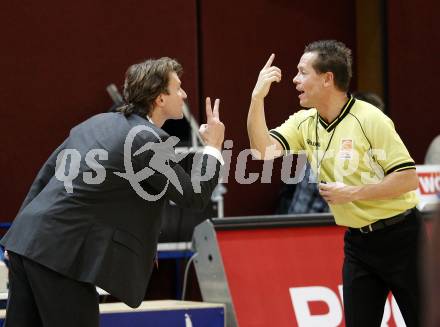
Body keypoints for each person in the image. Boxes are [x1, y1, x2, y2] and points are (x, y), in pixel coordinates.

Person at [1, 57, 225, 326]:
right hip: (60, 255)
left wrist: (17, 235)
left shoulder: (97, 123)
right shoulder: (147, 140)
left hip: (26, 244)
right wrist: (213, 148)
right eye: (177, 88)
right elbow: (193, 195)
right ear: (159, 98)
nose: (185, 94)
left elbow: (47, 175)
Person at [247, 40, 423, 326]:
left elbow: (407, 178)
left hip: (402, 237)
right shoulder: (305, 122)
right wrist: (257, 98)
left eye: (303, 72)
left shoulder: (370, 119)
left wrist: (354, 192)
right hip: (358, 243)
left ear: (327, 78)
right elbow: (261, 151)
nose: (294, 79)